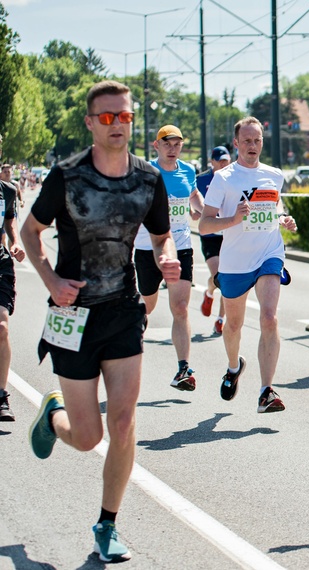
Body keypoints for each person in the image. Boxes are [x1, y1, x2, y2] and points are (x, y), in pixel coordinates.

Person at [20, 79, 180, 561]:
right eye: (107, 117)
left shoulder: (149, 179)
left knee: (126, 422)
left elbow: (162, 235)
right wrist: (50, 280)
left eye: (125, 117)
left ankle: (107, 525)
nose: (117, 125)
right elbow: (31, 232)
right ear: (90, 122)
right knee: (88, 437)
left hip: (122, 311)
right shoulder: (66, 177)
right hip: (71, 314)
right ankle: (55, 414)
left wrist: (167, 258)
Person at [199, 116, 297, 413]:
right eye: (247, 141)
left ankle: (267, 391)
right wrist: (234, 219)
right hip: (235, 261)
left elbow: (273, 208)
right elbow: (204, 225)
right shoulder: (224, 178)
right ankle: (233, 366)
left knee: (269, 318)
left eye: (257, 141)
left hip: (269, 252)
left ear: (262, 143)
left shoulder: (274, 175)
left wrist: (284, 219)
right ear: (237, 143)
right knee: (234, 325)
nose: (252, 146)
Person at [133, 125, 204, 391]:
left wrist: (203, 210)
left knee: (181, 307)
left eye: (177, 144)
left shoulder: (187, 170)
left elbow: (194, 195)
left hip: (181, 245)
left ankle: (183, 368)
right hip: (149, 246)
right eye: (167, 143)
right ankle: (129, 344)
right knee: (147, 306)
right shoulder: (145, 171)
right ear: (156, 145)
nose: (172, 148)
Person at [196, 145, 231, 335]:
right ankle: (209, 293)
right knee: (219, 276)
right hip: (210, 236)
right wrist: (195, 213)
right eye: (220, 161)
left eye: (226, 160)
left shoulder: (233, 178)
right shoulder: (201, 180)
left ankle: (220, 319)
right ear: (212, 162)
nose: (223, 164)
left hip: (228, 235)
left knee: (225, 278)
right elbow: (195, 203)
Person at [0, 166, 26, 422]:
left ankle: (1, 396)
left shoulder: (6, 191)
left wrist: (15, 242)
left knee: (2, 327)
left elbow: (10, 220)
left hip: (0, 262)